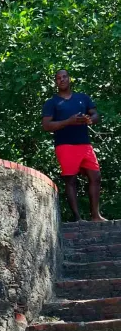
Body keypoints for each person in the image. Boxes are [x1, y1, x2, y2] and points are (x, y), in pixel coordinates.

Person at [42, 69, 105, 222]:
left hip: (85, 144)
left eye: (64, 77)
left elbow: (95, 114)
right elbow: (46, 125)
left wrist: (90, 119)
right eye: (58, 78)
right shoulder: (52, 103)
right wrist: (68, 121)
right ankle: (78, 219)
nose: (62, 80)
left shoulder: (82, 98)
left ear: (69, 79)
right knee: (71, 180)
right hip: (65, 145)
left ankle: (95, 216)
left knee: (96, 177)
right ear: (56, 82)